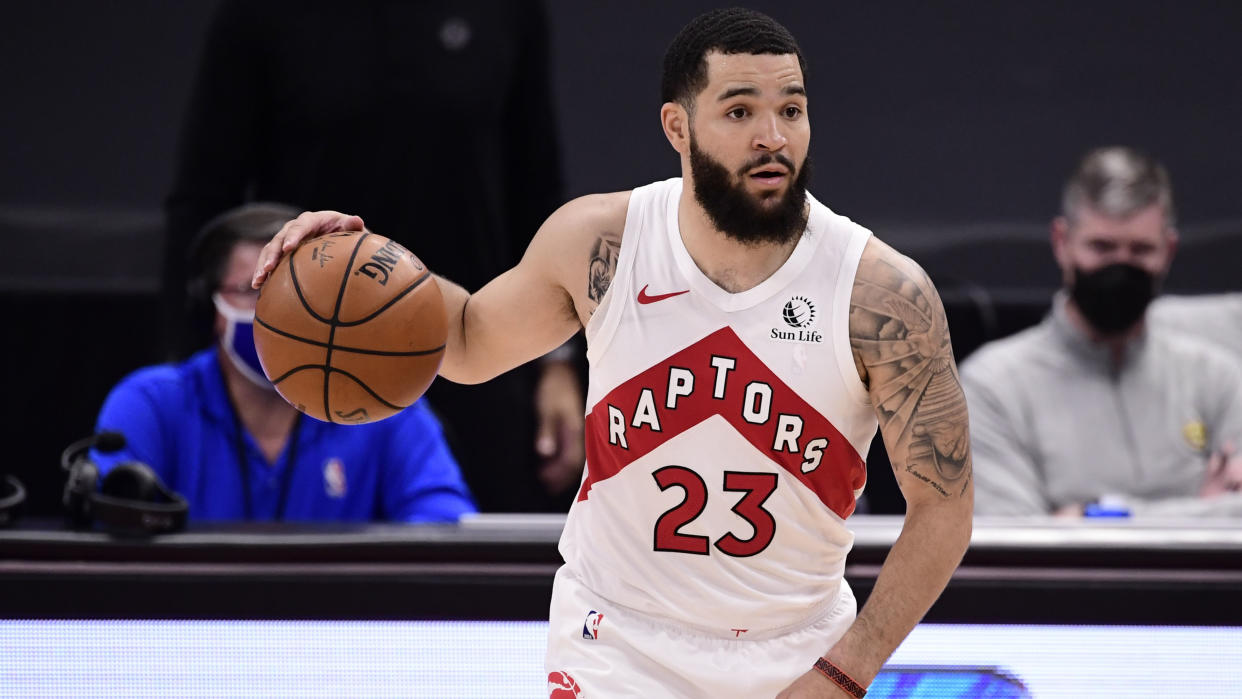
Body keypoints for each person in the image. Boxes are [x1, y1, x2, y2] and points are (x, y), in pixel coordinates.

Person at [254, 9, 973, 697]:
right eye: (739, 111)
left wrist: (849, 668)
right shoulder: (604, 242)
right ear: (677, 126)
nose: (772, 136)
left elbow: (944, 509)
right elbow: (470, 340)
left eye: (791, 109)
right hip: (619, 643)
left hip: (796, 650)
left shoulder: (880, 294)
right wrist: (354, 255)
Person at [163, 0, 583, 513]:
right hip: (316, 351)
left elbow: (536, 188)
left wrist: (558, 364)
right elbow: (202, 199)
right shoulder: (260, 15)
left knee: (472, 568)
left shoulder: (506, 12)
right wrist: (186, 364)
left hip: (476, 339)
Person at [93, 203, 476, 522]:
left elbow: (444, 530)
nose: (276, 310)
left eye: (294, 290)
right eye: (255, 289)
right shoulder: (152, 402)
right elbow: (110, 535)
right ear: (210, 308)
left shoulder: (385, 405)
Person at [961, 146, 1242, 518]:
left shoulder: (1216, 378)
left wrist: (1087, 515)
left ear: (1169, 251)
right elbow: (1021, 547)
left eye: (1141, 250)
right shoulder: (992, 388)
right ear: (1062, 243)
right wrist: (1200, 512)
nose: (1121, 267)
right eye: (1102, 247)